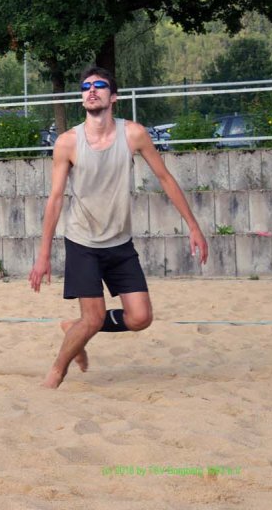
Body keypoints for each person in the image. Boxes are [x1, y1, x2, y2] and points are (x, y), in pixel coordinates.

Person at [29, 66, 208, 389]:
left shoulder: (133, 134)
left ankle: (75, 327)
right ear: (82, 97)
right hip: (82, 240)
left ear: (114, 97)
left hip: (119, 242)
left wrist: (193, 226)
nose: (91, 90)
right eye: (85, 87)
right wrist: (43, 255)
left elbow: (165, 179)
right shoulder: (68, 142)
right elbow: (55, 199)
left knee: (140, 318)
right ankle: (57, 371)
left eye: (99, 86)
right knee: (94, 318)